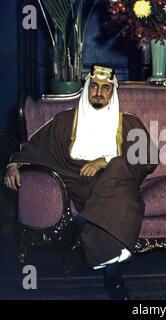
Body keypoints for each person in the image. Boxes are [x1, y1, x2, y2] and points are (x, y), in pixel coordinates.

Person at [4, 65, 158, 299]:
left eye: (105, 88)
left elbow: (147, 157)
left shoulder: (128, 123)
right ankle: (112, 271)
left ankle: (83, 225)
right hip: (83, 182)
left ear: (112, 92)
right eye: (94, 86)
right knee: (122, 198)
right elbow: (36, 145)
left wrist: (104, 160)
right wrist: (13, 164)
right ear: (87, 89)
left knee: (117, 168)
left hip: (117, 180)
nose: (99, 92)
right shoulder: (66, 120)